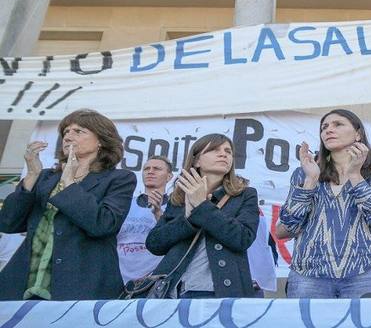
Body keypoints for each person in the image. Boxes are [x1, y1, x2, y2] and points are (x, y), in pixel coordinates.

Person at [0, 109, 136, 300]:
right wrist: (31, 175)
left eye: (79, 131)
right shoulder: (46, 177)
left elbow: (103, 224)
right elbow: (8, 222)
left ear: (101, 141)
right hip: (24, 285)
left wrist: (69, 183)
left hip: (81, 286)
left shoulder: (119, 179)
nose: (68, 136)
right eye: (66, 132)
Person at [277, 109, 371, 298]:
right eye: (324, 127)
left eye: (337, 124)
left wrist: (355, 175)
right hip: (309, 274)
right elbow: (289, 226)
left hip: (367, 271)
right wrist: (311, 180)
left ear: (358, 133)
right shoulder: (304, 173)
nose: (328, 130)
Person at [145, 134, 259, 299]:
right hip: (173, 291)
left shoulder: (245, 194)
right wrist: (188, 220)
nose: (223, 154)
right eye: (214, 150)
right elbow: (154, 244)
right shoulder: (178, 197)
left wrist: (202, 206)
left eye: (228, 151)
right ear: (196, 161)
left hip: (219, 291)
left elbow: (243, 238)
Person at [116, 155, 174, 283]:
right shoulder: (125, 204)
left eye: (157, 169)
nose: (150, 171)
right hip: (119, 280)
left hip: (154, 282)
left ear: (169, 176)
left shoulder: (175, 206)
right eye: (146, 168)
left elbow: (172, 238)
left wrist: (158, 213)